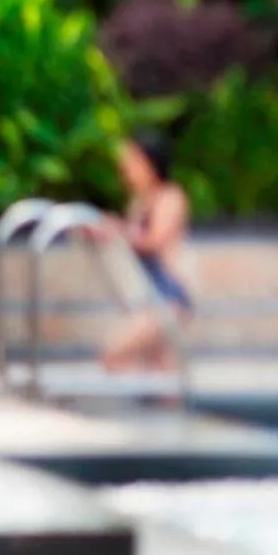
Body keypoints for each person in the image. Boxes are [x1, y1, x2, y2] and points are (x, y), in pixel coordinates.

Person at [90, 132, 195, 375]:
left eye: (132, 159)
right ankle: (160, 396)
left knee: (113, 354)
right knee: (162, 370)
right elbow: (132, 239)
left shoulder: (170, 197)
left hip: (167, 296)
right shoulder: (139, 201)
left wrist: (117, 230)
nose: (124, 167)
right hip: (149, 294)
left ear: (150, 162)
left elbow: (154, 240)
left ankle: (142, 395)